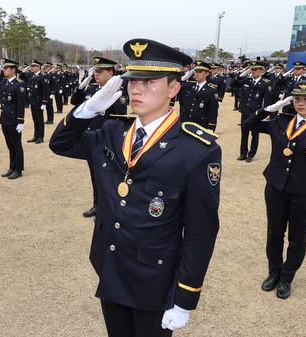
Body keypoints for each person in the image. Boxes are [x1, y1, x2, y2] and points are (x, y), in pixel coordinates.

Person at [50, 38, 221, 336]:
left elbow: (200, 232)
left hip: (155, 279)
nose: (136, 90)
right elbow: (60, 143)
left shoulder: (197, 150)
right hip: (111, 265)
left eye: (149, 82)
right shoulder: (113, 130)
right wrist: (90, 108)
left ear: (173, 88)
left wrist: (185, 298)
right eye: (131, 81)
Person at [242, 80, 306, 299]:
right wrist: (269, 108)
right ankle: (273, 272)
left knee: (297, 238)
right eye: (297, 98)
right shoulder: (280, 120)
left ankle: (287, 277)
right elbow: (249, 125)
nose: (301, 103)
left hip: (304, 192)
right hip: (276, 187)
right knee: (274, 233)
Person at [71, 56, 128, 218]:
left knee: (108, 178)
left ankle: (108, 208)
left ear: (110, 74)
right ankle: (97, 205)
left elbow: (119, 120)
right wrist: (82, 84)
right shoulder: (92, 89)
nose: (96, 74)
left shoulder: (117, 94)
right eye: (95, 71)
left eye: (100, 71)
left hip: (106, 143)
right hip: (91, 141)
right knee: (95, 176)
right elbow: (74, 100)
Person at [231, 61, 272, 162]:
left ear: (261, 71)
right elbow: (233, 84)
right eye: (252, 70)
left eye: (256, 70)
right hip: (245, 111)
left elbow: (267, 102)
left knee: (255, 134)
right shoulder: (246, 81)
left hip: (255, 112)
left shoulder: (265, 84)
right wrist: (241, 75)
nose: (253, 72)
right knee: (244, 133)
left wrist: (263, 114)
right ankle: (243, 153)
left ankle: (251, 154)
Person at [0, 58, 26, 179]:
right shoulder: (4, 83)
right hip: (5, 118)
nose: (4, 70)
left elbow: (20, 104)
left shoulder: (19, 84)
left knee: (16, 146)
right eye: (3, 68)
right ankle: (12, 167)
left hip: (13, 120)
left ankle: (18, 169)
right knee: (10, 146)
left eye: (6, 69)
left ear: (13, 70)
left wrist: (20, 121)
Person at [178, 61, 219, 131]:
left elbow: (213, 111)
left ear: (207, 73)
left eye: (200, 72)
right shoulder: (188, 86)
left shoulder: (211, 90)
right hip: (185, 122)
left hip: (200, 124)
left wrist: (211, 127)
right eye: (196, 71)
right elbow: (174, 88)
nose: (197, 74)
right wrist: (181, 79)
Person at [20, 59, 49, 144]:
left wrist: (44, 102)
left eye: (33, 66)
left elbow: (45, 91)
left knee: (40, 120)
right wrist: (24, 70)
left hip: (39, 101)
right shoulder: (31, 75)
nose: (32, 68)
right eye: (31, 66)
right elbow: (21, 77)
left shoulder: (43, 76)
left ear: (38, 67)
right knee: (35, 120)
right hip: (32, 100)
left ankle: (41, 137)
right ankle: (36, 135)